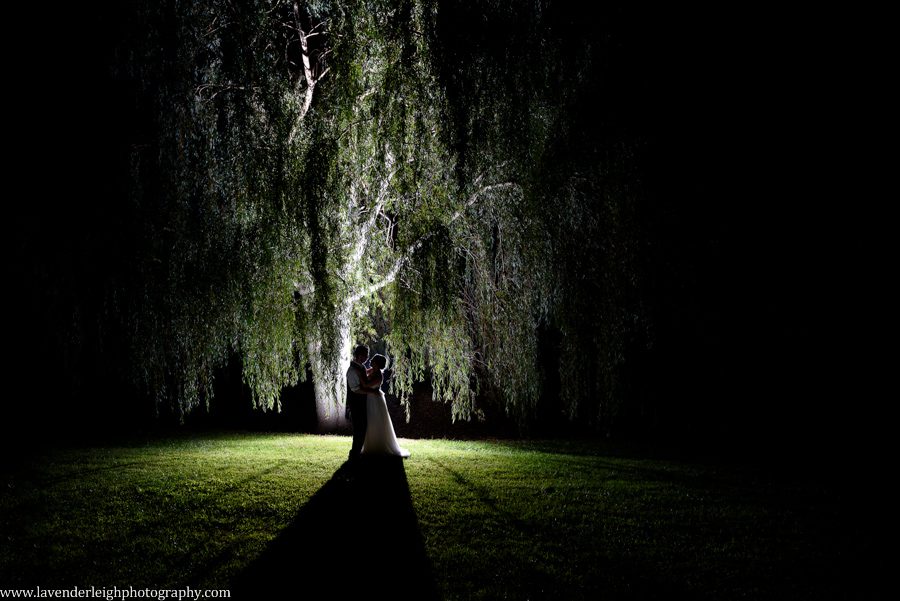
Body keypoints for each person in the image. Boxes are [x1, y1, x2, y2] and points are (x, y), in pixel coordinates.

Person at [359, 354, 410, 458]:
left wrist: (358, 377)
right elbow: (364, 373)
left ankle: (378, 446)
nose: (370, 361)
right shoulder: (372, 370)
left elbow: (365, 384)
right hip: (370, 398)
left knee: (375, 420)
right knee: (370, 421)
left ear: (377, 363)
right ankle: (370, 445)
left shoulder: (379, 375)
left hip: (374, 400)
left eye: (373, 360)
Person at [345, 345, 370, 461]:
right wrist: (370, 392)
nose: (365, 358)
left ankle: (357, 452)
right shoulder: (352, 371)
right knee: (359, 428)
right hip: (355, 404)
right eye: (364, 355)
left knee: (362, 427)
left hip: (361, 403)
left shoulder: (361, 367)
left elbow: (363, 379)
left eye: (366, 356)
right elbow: (355, 389)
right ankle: (354, 453)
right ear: (358, 355)